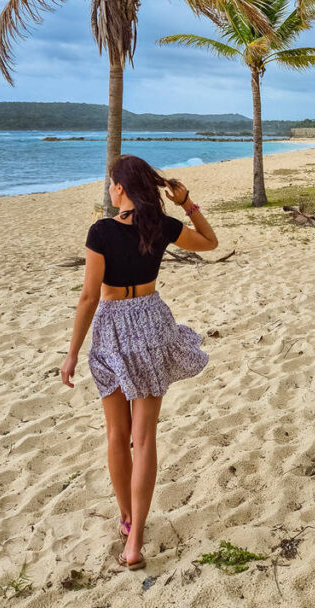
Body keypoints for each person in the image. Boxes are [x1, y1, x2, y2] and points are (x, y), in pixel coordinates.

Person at [60, 154, 218, 570]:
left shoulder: (102, 232)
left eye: (113, 182)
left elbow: (89, 298)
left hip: (112, 329)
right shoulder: (161, 226)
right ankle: (136, 543)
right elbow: (210, 242)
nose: (111, 188)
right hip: (150, 321)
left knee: (118, 434)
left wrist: (72, 352)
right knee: (144, 438)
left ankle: (127, 520)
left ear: (121, 188)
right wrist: (188, 203)